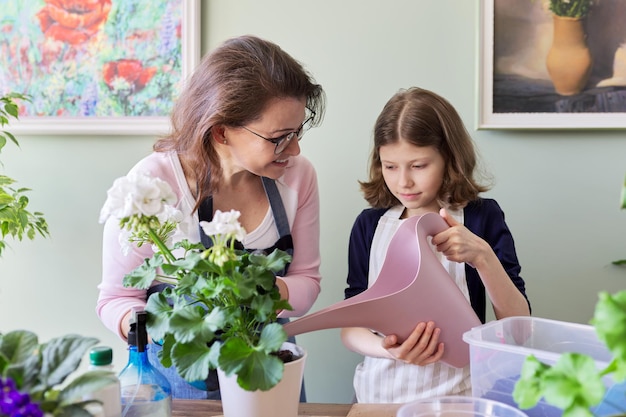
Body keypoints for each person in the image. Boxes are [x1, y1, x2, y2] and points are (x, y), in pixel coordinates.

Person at [97, 34, 325, 399]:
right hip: (176, 377)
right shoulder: (151, 185)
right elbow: (115, 299)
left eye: (297, 132)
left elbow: (307, 282)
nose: (294, 149)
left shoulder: (299, 176)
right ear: (221, 131)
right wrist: (169, 327)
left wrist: (256, 291)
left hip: (267, 366)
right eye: (279, 137)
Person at [340, 87, 530, 403]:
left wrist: (482, 256)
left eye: (418, 165)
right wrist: (392, 350)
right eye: (390, 166)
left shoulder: (482, 217)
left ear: (449, 158)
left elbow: (519, 325)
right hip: (380, 397)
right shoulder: (368, 225)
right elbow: (350, 328)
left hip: (461, 395)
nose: (403, 182)